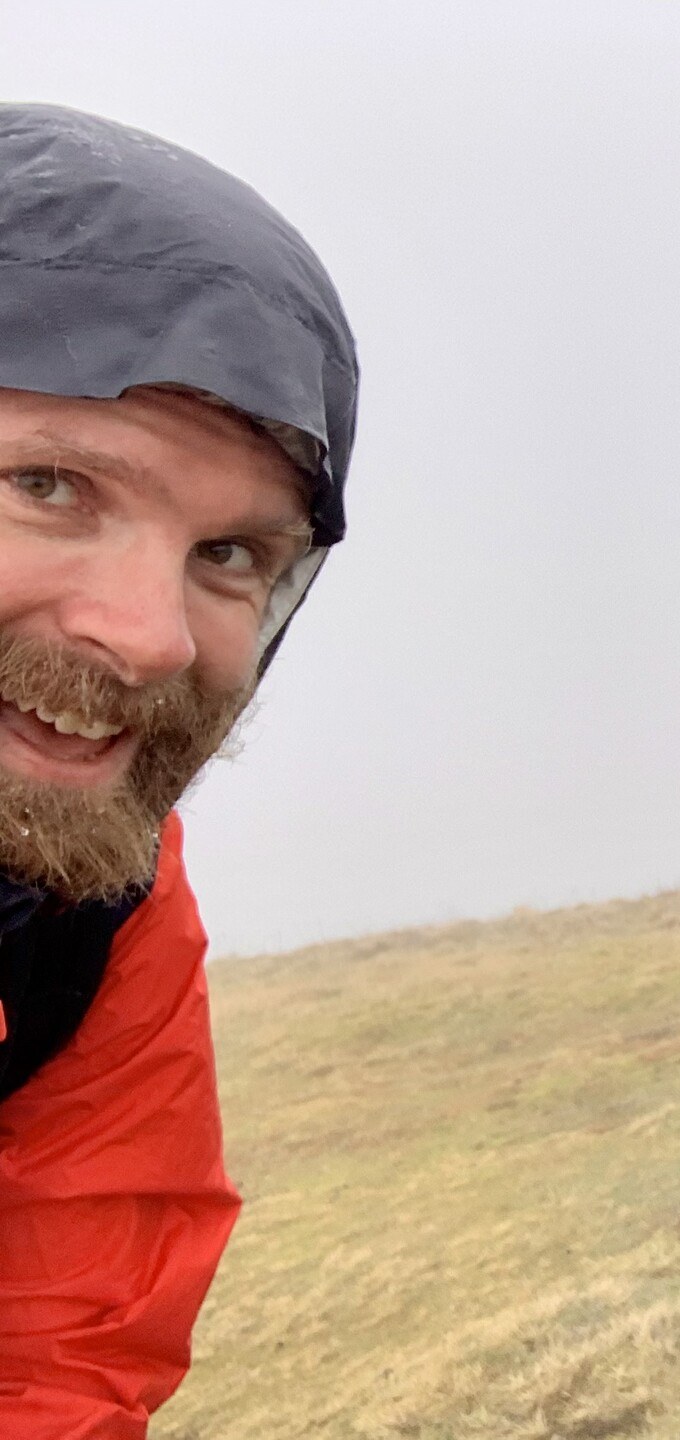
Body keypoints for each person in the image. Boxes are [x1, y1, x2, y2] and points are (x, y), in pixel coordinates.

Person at [0, 105, 356, 1433]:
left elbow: (60, 1351)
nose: (146, 639)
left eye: (231, 557)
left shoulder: (88, 900)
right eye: (50, 485)